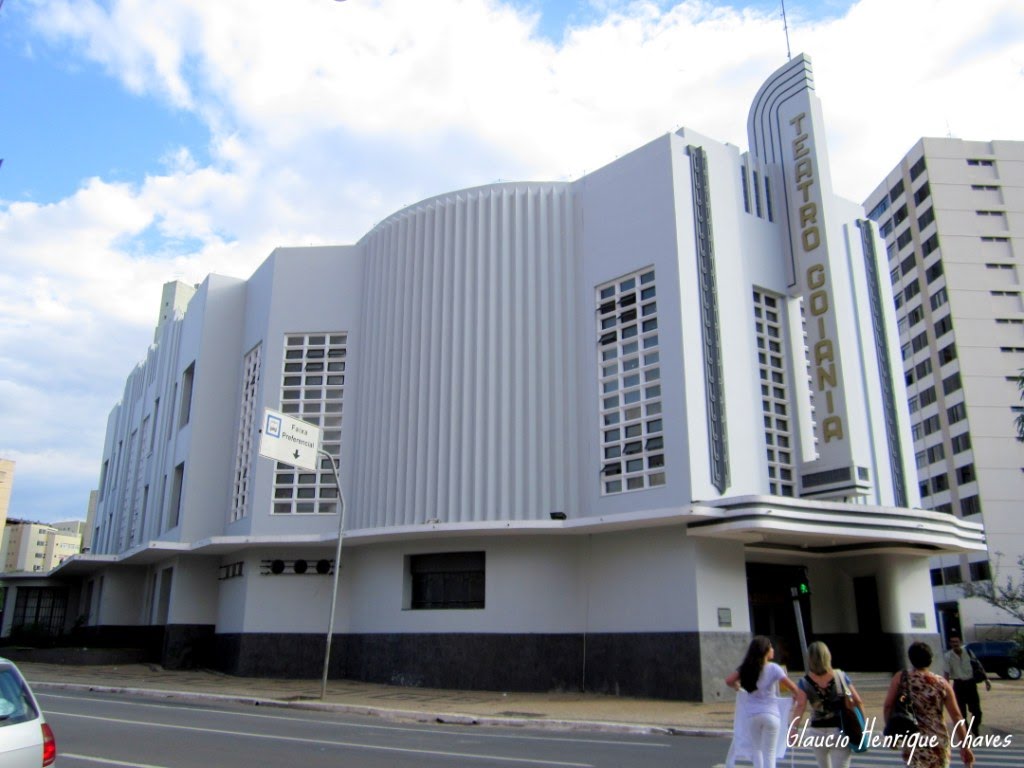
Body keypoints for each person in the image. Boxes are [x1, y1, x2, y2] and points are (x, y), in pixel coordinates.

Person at [884, 641, 974, 768]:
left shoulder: (901, 678)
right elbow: (957, 716)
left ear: (911, 659)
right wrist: (965, 746)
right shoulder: (942, 683)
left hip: (912, 739)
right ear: (931, 659)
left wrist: (891, 735)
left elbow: (888, 705)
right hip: (938, 739)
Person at [725, 635, 806, 768]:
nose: (773, 650)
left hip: (752, 716)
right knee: (769, 754)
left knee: (757, 750)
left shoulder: (746, 668)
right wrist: (795, 699)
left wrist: (737, 687)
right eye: (771, 647)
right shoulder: (774, 668)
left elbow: (729, 680)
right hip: (771, 715)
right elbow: (793, 688)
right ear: (765, 651)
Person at [789, 641, 864, 768]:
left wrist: (793, 730)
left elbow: (800, 705)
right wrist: (862, 724)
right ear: (828, 656)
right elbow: (858, 701)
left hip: (816, 731)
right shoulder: (840, 676)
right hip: (839, 730)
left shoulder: (804, 682)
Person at [943, 634, 990, 735]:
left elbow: (978, 666)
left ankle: (975, 726)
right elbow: (946, 673)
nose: (955, 644)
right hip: (959, 685)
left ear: (960, 642)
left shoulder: (968, 652)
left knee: (977, 711)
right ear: (950, 644)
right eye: (953, 642)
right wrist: (945, 689)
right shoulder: (948, 656)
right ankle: (967, 732)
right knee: (961, 713)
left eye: (957, 642)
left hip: (971, 684)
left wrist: (986, 679)